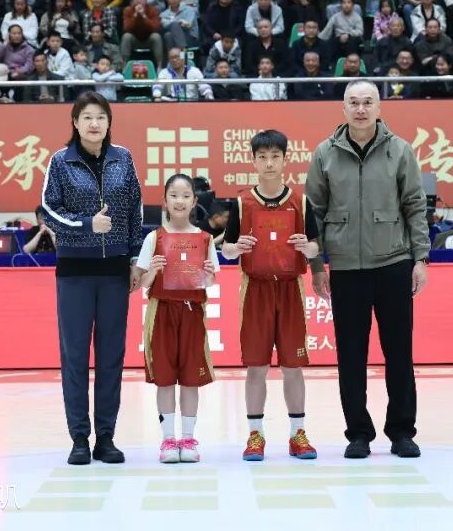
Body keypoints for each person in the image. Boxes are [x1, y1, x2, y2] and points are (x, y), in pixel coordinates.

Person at [306, 80, 429, 460]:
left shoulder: (400, 150)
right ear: (343, 108)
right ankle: (358, 433)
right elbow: (314, 213)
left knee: (399, 352)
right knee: (351, 355)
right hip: (345, 268)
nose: (360, 109)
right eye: (353, 103)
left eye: (367, 102)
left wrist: (420, 258)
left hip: (393, 262)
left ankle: (402, 432)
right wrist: (317, 266)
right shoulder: (325, 153)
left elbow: (415, 205)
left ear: (379, 108)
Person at [41, 92, 143, 466]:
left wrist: (135, 258)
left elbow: (135, 210)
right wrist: (87, 225)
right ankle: (80, 438)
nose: (94, 123)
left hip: (114, 272)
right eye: (87, 117)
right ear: (75, 122)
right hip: (75, 273)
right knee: (75, 357)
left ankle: (106, 437)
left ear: (109, 122)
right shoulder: (60, 161)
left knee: (111, 357)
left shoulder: (123, 158)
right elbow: (48, 210)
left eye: (101, 116)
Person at [221, 130, 321, 463]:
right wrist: (235, 248)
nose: (268, 163)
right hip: (256, 290)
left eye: (275, 156)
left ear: (285, 160)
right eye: (262, 157)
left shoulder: (301, 201)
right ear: (253, 161)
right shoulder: (241, 203)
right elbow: (227, 248)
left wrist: (309, 247)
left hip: (290, 289)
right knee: (256, 366)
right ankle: (255, 435)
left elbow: (316, 246)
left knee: (293, 366)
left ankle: (298, 433)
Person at [135, 173, 219, 464]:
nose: (179, 201)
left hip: (192, 313)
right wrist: (153, 271)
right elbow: (142, 283)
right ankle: (168, 440)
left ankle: (188, 438)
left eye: (185, 196)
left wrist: (207, 274)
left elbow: (210, 282)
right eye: (174, 195)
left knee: (190, 379)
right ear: (165, 201)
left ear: (194, 201)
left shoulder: (205, 239)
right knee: (165, 378)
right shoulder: (153, 238)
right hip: (162, 312)